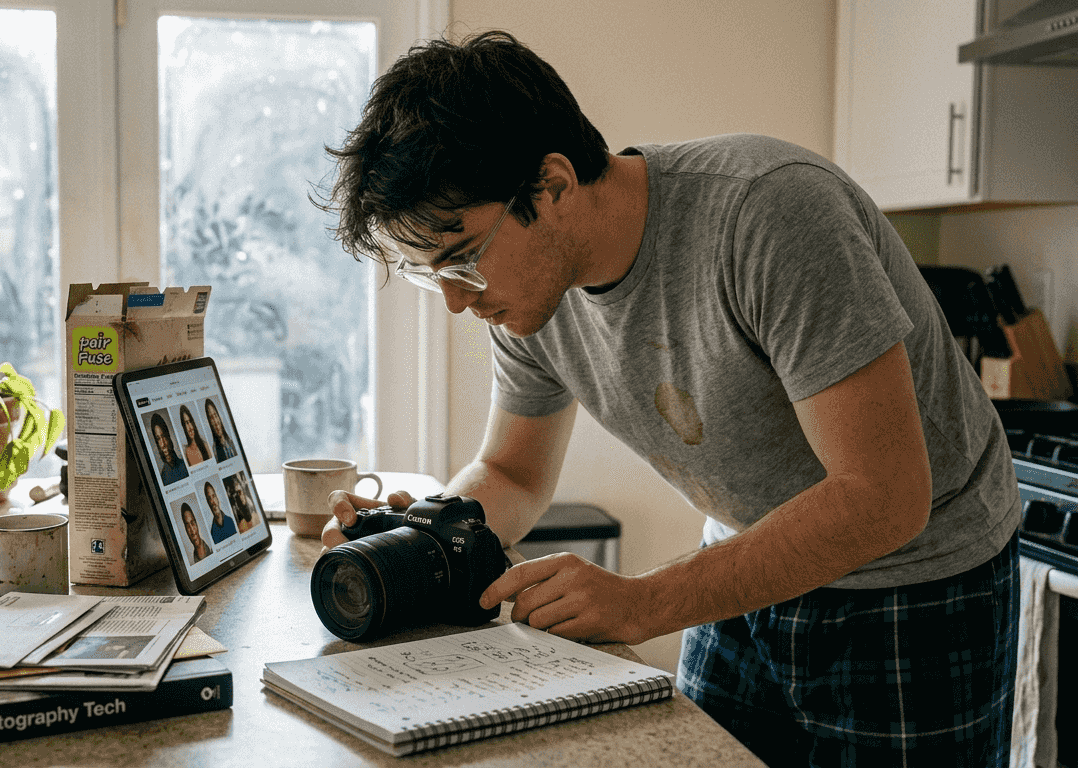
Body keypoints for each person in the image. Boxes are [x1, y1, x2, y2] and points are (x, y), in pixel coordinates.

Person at [317, 31, 1020, 768]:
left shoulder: (770, 212)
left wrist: (643, 601)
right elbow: (513, 474)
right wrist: (423, 539)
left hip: (916, 580)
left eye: (462, 260)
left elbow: (884, 497)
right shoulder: (526, 299)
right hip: (744, 549)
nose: (457, 302)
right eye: (432, 275)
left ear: (552, 186)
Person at [150, 411, 189, 485]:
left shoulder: (186, 464)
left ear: (169, 438)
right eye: (158, 439)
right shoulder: (163, 479)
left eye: (163, 436)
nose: (163, 444)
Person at [206, 398, 238, 463]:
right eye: (211, 418)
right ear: (210, 423)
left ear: (219, 416)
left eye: (215, 415)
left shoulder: (233, 442)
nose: (215, 421)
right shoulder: (214, 452)